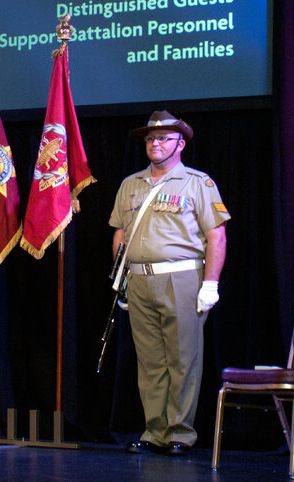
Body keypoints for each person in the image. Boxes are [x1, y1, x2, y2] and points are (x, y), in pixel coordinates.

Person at [109, 110, 229, 455]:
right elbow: (120, 233)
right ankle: (154, 431)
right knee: (150, 362)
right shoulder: (131, 185)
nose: (155, 143)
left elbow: (216, 236)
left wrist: (211, 284)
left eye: (163, 138)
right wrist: (122, 280)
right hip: (140, 281)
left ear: (181, 143)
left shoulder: (197, 182)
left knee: (182, 359)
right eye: (150, 138)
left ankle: (180, 432)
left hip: (181, 278)